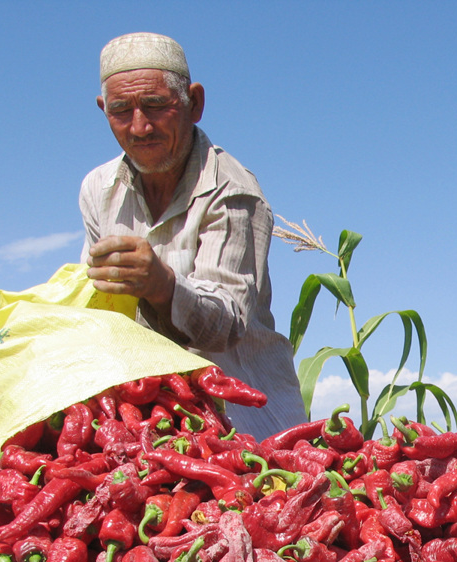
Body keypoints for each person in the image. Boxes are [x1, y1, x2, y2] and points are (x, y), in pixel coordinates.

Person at [80, 32, 306, 439]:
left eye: (156, 106)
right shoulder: (99, 189)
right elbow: (99, 309)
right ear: (103, 111)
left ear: (194, 103)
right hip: (157, 417)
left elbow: (226, 326)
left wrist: (162, 285)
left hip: (247, 416)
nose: (139, 127)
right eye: (120, 111)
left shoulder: (232, 190)